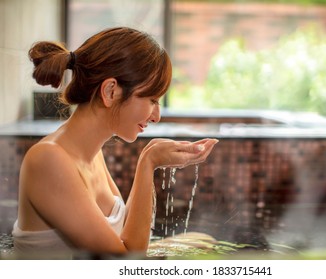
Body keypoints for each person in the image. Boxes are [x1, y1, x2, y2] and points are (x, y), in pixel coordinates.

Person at [12, 27, 218, 256]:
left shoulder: (92, 153)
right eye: (152, 99)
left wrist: (150, 157)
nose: (156, 116)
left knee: (201, 240)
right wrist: (148, 163)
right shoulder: (48, 160)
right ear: (111, 91)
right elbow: (126, 262)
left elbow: (125, 236)